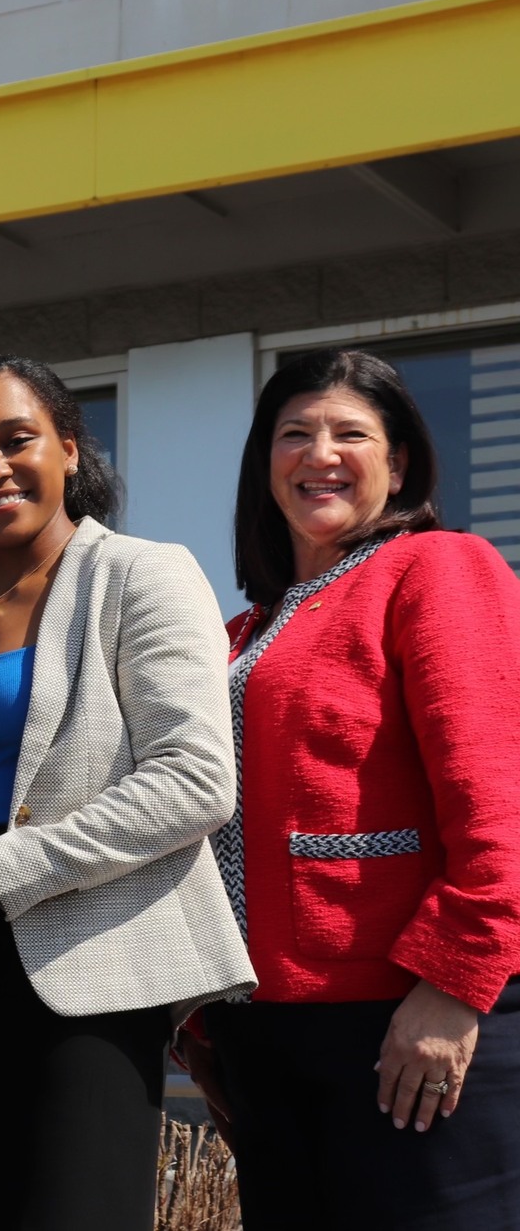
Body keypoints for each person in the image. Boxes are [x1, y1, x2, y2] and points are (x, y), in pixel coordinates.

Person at [0, 355, 253, 1231]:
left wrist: (0, 870)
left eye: (16, 439)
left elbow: (194, 779)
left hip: (87, 972)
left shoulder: (142, 574)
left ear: (69, 447)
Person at [183, 349, 520, 1230]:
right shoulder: (245, 625)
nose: (320, 453)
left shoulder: (438, 567)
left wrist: (455, 982)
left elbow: (499, 794)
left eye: (351, 434)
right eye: (294, 433)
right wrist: (204, 1020)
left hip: (407, 1018)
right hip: (266, 1035)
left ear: (398, 464)